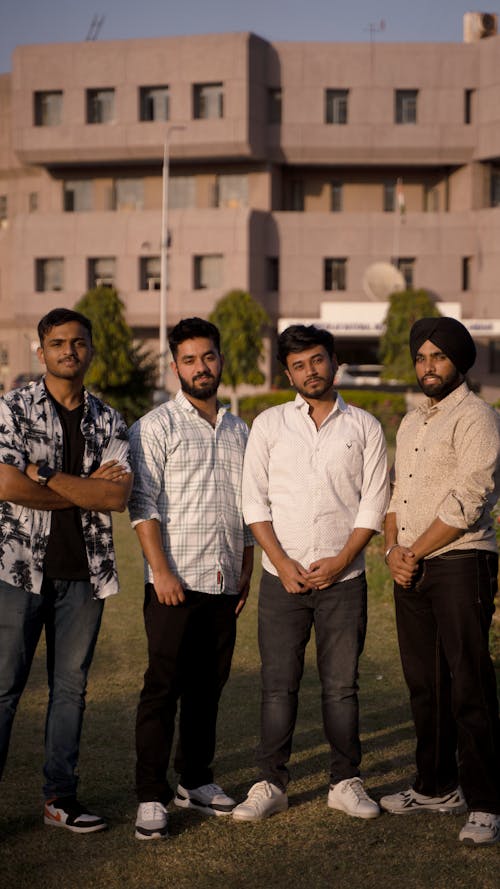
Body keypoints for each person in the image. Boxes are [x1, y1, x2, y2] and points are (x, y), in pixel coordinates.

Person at [232, 324, 389, 822]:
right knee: (278, 685)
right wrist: (281, 563)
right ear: (287, 373)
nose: (310, 371)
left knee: (341, 686)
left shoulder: (364, 426)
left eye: (317, 360)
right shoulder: (269, 425)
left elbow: (374, 500)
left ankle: (344, 781)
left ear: (334, 361)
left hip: (344, 582)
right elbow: (253, 500)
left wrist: (342, 559)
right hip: (283, 581)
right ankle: (270, 784)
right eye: (298, 365)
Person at [0, 308, 133, 833]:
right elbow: (7, 486)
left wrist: (46, 474)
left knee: (70, 691)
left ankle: (60, 799)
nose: (68, 351)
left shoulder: (108, 420)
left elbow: (116, 496)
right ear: (41, 351)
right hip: (16, 571)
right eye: (57, 343)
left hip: (85, 574)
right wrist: (83, 490)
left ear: (90, 350)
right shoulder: (12, 408)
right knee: (5, 688)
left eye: (78, 342)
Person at [129, 316, 253, 840]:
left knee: (209, 688)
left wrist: (246, 572)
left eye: (208, 357)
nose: (200, 367)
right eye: (189, 359)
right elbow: (142, 504)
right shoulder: (154, 427)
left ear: (219, 360)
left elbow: (251, 507)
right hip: (173, 582)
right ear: (174, 365)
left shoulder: (241, 429)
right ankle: (151, 795)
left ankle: (196, 780)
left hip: (225, 581)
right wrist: (160, 571)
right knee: (163, 688)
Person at [381, 316, 500, 846]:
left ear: (459, 362)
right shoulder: (410, 422)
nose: (429, 367)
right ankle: (434, 786)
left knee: (469, 683)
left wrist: (411, 551)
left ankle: (486, 802)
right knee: (425, 684)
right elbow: (395, 497)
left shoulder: (477, 417)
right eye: (422, 357)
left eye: (440, 357)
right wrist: (392, 551)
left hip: (460, 563)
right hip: (411, 567)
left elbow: (470, 499)